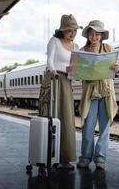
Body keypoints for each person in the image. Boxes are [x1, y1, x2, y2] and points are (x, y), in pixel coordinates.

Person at [77, 20, 119, 170]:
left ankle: (100, 158)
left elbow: (116, 71)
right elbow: (77, 76)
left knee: (104, 127)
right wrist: (76, 70)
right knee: (88, 126)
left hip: (106, 92)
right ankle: (85, 157)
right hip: (90, 93)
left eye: (97, 34)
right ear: (88, 35)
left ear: (101, 36)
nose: (94, 37)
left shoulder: (108, 48)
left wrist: (117, 69)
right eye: (91, 34)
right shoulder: (82, 51)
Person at [45, 14, 82, 169]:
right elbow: (50, 60)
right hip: (54, 80)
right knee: (53, 116)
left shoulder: (76, 47)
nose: (72, 33)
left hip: (67, 82)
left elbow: (75, 67)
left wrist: (77, 73)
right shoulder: (54, 41)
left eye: (74, 30)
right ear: (62, 30)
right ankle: (49, 155)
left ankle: (65, 157)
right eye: (69, 31)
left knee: (67, 118)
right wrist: (53, 70)